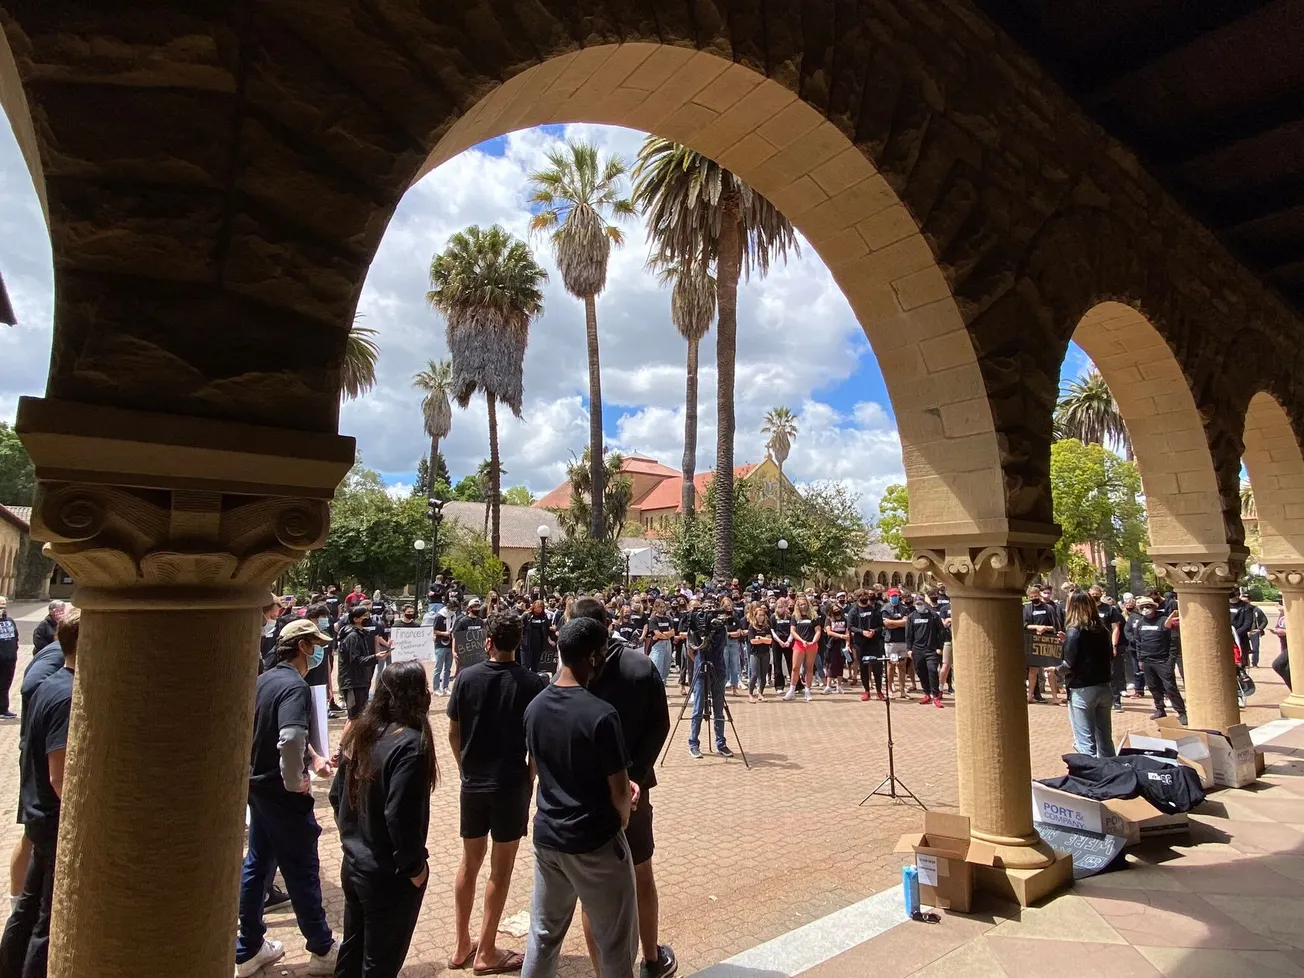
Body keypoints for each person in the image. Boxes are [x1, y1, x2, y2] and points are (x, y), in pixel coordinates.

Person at [521, 618, 639, 978]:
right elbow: (619, 789)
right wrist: (622, 820)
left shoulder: (535, 707)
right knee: (615, 942)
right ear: (591, 657)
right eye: (601, 653)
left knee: (542, 937)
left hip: (549, 839)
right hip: (595, 841)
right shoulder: (601, 714)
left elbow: (533, 769)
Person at [570, 597, 675, 978]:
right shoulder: (639, 664)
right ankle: (650, 958)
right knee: (642, 874)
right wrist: (636, 773)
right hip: (634, 789)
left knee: (591, 890)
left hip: (585, 791)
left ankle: (606, 972)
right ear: (608, 623)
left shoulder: (572, 672)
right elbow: (659, 725)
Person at [235, 619, 338, 977]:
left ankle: (247, 948)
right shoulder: (295, 687)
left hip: (258, 788)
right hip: (281, 794)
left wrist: (314, 758)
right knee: (301, 868)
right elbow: (289, 736)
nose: (319, 651)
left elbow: (284, 733)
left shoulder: (265, 681)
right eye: (315, 644)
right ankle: (323, 948)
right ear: (303, 647)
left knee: (258, 864)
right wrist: (297, 780)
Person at [446, 612, 545, 974]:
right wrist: (530, 779)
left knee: (468, 863)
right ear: (518, 642)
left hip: (473, 783)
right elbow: (535, 746)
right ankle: (486, 950)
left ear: (487, 641)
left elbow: (454, 734)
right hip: (510, 784)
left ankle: (461, 945)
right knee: (499, 871)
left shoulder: (466, 679)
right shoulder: (532, 683)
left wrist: (464, 768)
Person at [330, 660, 438, 978]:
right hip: (388, 876)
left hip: (354, 865)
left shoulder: (364, 732)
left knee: (353, 951)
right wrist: (415, 868)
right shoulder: (411, 745)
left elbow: (337, 796)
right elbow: (400, 815)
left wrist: (353, 840)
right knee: (380, 962)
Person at [0, 609, 79, 978]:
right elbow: (60, 776)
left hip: (39, 812)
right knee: (50, 923)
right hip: (53, 818)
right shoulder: (67, 696)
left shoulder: (49, 684)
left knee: (28, 909)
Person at [1061, 592, 1116, 757]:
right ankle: (1112, 775)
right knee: (1105, 740)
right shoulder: (1103, 630)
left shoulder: (1074, 631)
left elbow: (1068, 665)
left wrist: (1054, 670)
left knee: (1085, 743)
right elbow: (1109, 656)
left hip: (1082, 689)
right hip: (1104, 686)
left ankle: (1090, 778)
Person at [687, 596, 733, 762]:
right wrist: (702, 633)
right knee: (698, 707)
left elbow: (722, 646)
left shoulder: (721, 627)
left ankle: (721, 743)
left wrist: (714, 630)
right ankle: (693, 743)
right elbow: (691, 648)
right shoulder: (695, 627)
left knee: (719, 708)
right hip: (701, 670)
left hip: (718, 670)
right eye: (705, 610)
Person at [1129, 596, 1187, 725]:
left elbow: (1173, 642)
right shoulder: (1140, 623)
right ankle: (1160, 709)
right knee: (1153, 687)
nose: (1145, 609)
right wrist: (1140, 659)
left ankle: (1182, 712)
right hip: (1147, 661)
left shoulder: (1164, 621)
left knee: (1170, 687)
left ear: (1154, 608)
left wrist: (1170, 660)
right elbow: (1138, 641)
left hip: (1163, 661)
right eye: (1142, 607)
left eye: (1148, 607)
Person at [338, 605, 388, 725]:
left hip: (361, 680)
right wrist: (375, 657)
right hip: (353, 681)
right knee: (354, 718)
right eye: (365, 616)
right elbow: (355, 660)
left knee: (359, 715)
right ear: (356, 619)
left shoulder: (361, 634)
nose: (368, 618)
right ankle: (344, 744)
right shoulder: (352, 636)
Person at [1088, 585, 1126, 713]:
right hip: (1091, 647)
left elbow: (1116, 628)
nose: (1094, 595)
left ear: (1101, 594)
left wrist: (1114, 645)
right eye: (1092, 593)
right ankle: (1096, 701)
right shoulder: (1086, 609)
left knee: (1113, 674)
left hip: (1107, 646)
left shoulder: (1110, 609)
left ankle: (1116, 701)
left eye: (1096, 593)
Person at [1022, 586, 1063, 705]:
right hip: (1033, 642)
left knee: (1050, 670)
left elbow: (1056, 626)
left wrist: (1045, 628)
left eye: (1036, 596)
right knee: (1033, 670)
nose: (1034, 598)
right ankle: (1030, 696)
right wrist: (1036, 627)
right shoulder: (1027, 608)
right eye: (1032, 597)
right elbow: (1024, 625)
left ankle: (1055, 697)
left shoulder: (1049, 608)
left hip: (1048, 642)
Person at [906, 591, 946, 707]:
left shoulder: (933, 616)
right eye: (917, 603)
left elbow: (941, 631)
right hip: (917, 650)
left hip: (931, 649)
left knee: (933, 670)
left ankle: (935, 695)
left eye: (921, 603)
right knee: (921, 672)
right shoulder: (911, 617)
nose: (919, 605)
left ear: (925, 603)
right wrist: (909, 649)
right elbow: (908, 635)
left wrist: (940, 646)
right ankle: (927, 693)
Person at [783, 595, 822, 702]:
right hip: (799, 644)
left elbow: (818, 630)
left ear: (807, 604)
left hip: (811, 644)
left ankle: (808, 690)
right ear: (797, 606)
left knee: (809, 668)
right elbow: (793, 631)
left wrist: (813, 641)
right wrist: (801, 640)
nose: (803, 606)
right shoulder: (795, 616)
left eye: (804, 604)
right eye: (800, 604)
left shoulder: (814, 616)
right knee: (795, 668)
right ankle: (792, 690)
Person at [848, 589, 885, 702]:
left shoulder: (874, 610)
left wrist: (874, 631)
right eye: (861, 596)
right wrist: (862, 632)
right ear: (857, 598)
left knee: (877, 667)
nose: (864, 597)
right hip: (860, 643)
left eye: (865, 595)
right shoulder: (853, 611)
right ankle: (866, 691)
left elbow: (881, 625)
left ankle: (879, 691)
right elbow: (850, 626)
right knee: (863, 667)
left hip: (874, 642)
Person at [881, 590, 910, 700]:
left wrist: (893, 622)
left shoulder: (904, 608)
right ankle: (890, 689)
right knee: (891, 665)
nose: (895, 598)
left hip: (903, 641)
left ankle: (902, 690)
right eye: (893, 596)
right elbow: (886, 624)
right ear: (888, 597)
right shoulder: (885, 609)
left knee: (902, 666)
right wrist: (899, 623)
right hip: (891, 642)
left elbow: (906, 623)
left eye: (896, 596)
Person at [822, 603, 849, 695]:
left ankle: (839, 686)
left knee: (840, 664)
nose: (836, 610)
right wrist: (841, 636)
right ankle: (828, 686)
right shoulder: (829, 620)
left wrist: (847, 644)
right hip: (832, 644)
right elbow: (829, 632)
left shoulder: (844, 619)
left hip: (842, 645)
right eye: (834, 609)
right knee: (831, 665)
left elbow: (847, 633)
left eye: (837, 609)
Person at [521, 600, 553, 674]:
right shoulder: (527, 615)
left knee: (535, 662)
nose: (538, 609)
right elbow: (521, 626)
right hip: (527, 642)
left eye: (540, 608)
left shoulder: (543, 616)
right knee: (525, 663)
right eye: (537, 607)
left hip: (538, 643)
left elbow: (548, 627)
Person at [433, 599, 457, 695]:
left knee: (448, 667)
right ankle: (436, 688)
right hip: (440, 644)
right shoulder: (439, 616)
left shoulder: (454, 616)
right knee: (438, 667)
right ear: (448, 607)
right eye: (453, 608)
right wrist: (444, 633)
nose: (454, 610)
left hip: (450, 644)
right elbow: (434, 630)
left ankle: (445, 686)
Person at [647, 600, 675, 684]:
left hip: (667, 644)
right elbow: (657, 634)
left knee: (666, 668)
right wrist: (666, 634)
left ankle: (663, 688)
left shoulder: (667, 618)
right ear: (656, 607)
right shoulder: (653, 619)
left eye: (664, 607)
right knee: (658, 667)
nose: (663, 609)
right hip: (658, 645)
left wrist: (666, 635)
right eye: (660, 607)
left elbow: (673, 632)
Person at [0, 599, 17, 720]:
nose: (2, 609)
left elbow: (15, 637)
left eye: (4, 606)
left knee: (5, 685)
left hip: (9, 660)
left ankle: (3, 709)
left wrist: (14, 650)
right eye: (0, 606)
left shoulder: (10, 621)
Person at [1271, 602, 1290, 690]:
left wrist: (1286, 632)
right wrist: (1276, 630)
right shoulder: (1283, 612)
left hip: (1296, 646)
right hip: (1285, 645)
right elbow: (1280, 626)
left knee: (1278, 665)